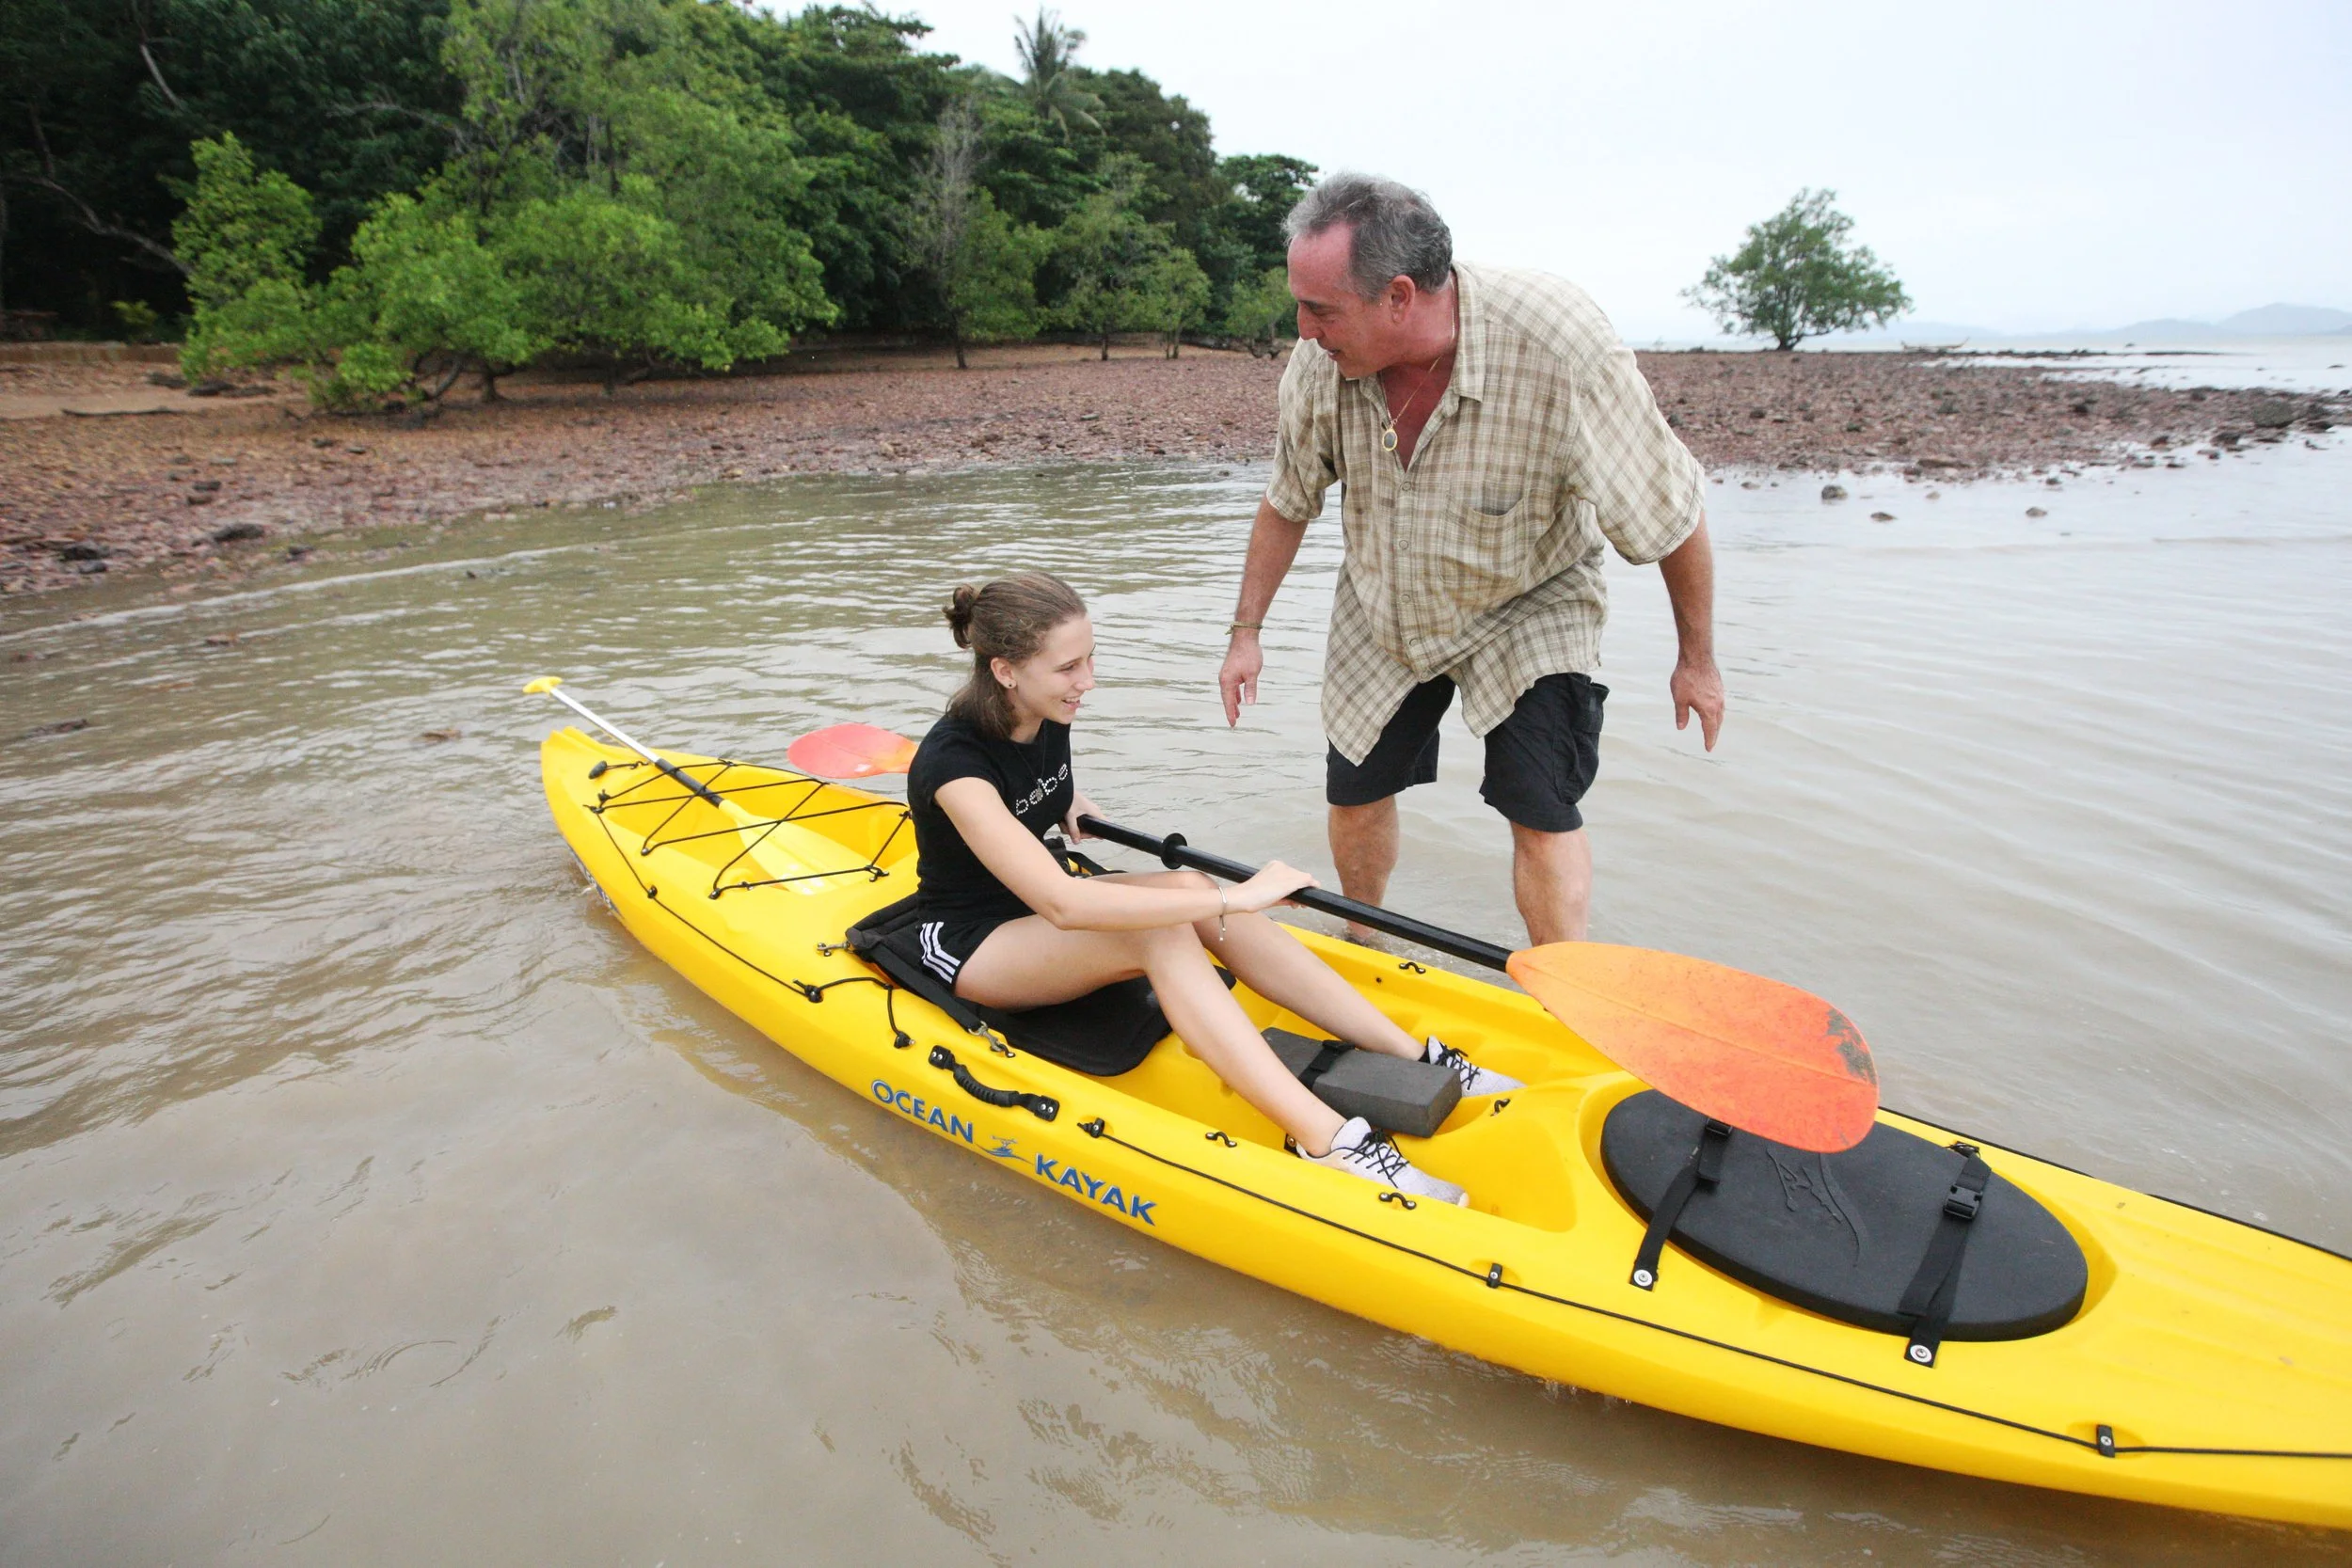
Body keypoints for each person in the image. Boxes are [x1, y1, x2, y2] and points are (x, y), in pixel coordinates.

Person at [1217, 174, 1725, 947]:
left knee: (1540, 805)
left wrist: (1698, 660)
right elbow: (1289, 500)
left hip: (1531, 599)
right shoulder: (1319, 366)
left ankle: (1566, 987)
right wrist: (1245, 631)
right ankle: (1367, 943)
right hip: (1386, 596)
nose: (1303, 327)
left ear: (1397, 296)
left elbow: (1671, 510)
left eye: (1320, 309)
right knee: (1355, 790)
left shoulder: (1560, 345)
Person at [908, 571, 1520, 1205]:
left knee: (1189, 882)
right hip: (975, 944)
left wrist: (1064, 800)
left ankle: (1417, 1055)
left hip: (1036, 911)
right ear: (1006, 671)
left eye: (1090, 658)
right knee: (1165, 924)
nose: (1087, 681)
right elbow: (1064, 902)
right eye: (1068, 667)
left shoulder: (1046, 713)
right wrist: (1239, 897)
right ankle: (1327, 1141)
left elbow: (1037, 786)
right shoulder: (953, 766)